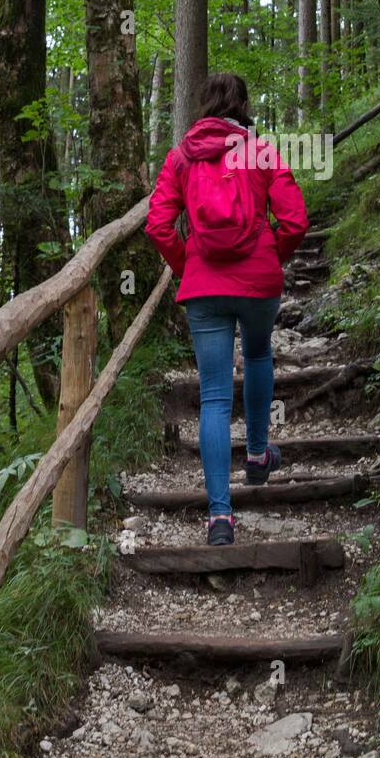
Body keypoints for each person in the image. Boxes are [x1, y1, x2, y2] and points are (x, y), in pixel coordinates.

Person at [145, 73, 309, 544]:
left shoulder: (180, 157)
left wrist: (187, 263)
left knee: (215, 396)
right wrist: (269, 254)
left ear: (203, 106)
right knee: (258, 354)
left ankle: (220, 518)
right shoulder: (258, 150)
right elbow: (296, 219)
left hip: (204, 285)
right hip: (258, 279)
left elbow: (158, 226)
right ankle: (257, 454)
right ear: (242, 105)